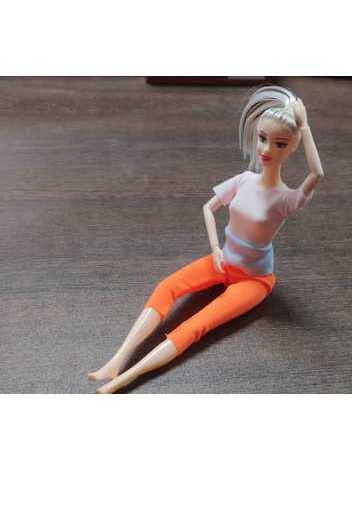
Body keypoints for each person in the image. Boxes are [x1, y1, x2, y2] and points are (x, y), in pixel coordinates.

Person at [88, 85, 324, 393]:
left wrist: (304, 126)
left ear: (292, 147)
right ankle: (116, 360)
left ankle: (124, 379)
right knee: (166, 287)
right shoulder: (244, 179)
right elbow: (208, 207)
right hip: (222, 260)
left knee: (197, 325)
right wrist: (214, 248)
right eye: (263, 138)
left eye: (280, 144)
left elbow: (317, 174)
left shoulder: (286, 199)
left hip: (254, 280)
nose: (266, 149)